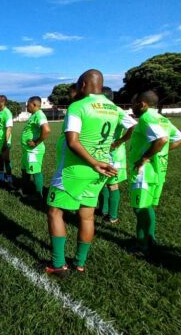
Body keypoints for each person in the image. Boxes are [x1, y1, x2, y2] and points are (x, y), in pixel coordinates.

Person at [45, 69, 136, 276]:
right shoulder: (113, 107)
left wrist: (93, 162)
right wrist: (115, 146)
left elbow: (73, 141)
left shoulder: (78, 106)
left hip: (75, 170)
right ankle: (79, 263)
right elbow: (133, 126)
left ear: (84, 85)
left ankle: (58, 264)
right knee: (87, 217)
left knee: (55, 212)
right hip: (101, 170)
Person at [128, 91, 181, 253]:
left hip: (144, 172)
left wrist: (145, 158)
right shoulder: (162, 118)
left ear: (142, 104)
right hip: (159, 170)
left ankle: (141, 244)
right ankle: (150, 239)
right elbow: (180, 138)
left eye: (134, 104)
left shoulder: (147, 118)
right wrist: (161, 153)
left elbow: (162, 140)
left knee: (140, 208)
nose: (132, 108)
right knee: (148, 206)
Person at [100, 87, 136, 224]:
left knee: (112, 185)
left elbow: (133, 126)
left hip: (114, 156)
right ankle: (103, 209)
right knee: (102, 183)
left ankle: (113, 216)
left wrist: (119, 141)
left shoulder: (117, 111)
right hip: (103, 153)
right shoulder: (102, 110)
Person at [20, 96, 51, 199]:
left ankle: (39, 195)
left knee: (35, 171)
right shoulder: (34, 115)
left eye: (27, 105)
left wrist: (36, 142)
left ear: (33, 104)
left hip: (34, 151)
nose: (26, 106)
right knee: (25, 170)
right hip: (27, 150)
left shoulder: (39, 115)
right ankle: (25, 190)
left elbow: (46, 130)